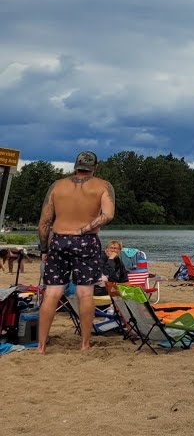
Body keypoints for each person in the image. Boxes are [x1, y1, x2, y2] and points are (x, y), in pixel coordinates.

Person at [36, 150, 115, 353]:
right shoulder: (103, 186)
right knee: (85, 293)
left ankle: (41, 345)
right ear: (95, 167)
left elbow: (43, 223)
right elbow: (108, 215)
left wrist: (44, 248)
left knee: (52, 292)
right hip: (86, 242)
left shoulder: (57, 186)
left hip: (58, 240)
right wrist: (84, 229)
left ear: (75, 165)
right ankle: (84, 344)